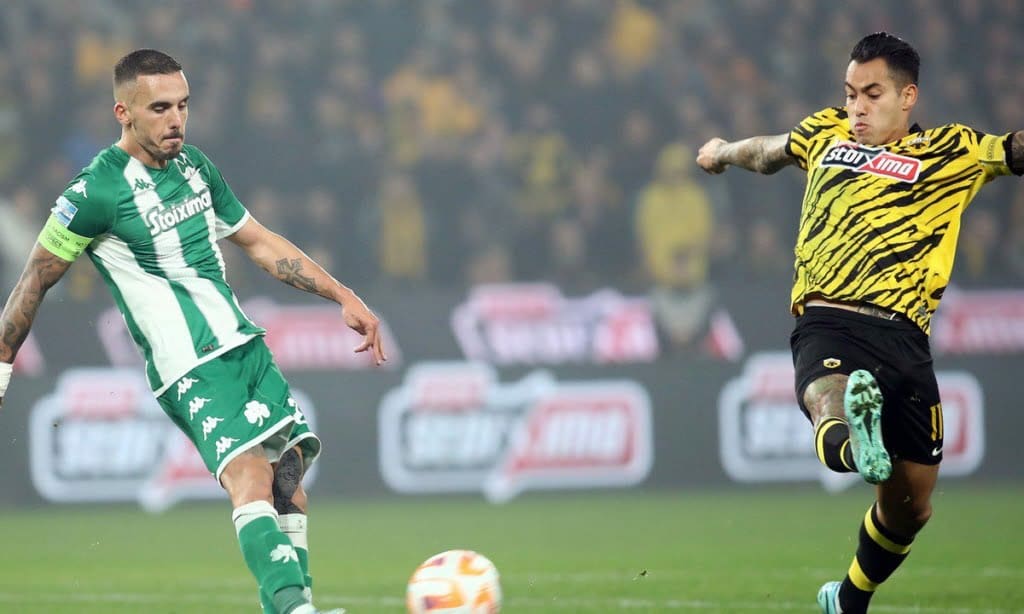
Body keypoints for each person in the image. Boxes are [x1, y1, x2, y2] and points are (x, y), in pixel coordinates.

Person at [0, 49, 387, 614]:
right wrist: (2, 365)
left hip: (244, 343)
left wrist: (342, 294)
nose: (176, 119)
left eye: (183, 105)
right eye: (160, 108)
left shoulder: (195, 167)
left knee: (288, 482)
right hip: (189, 362)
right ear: (123, 112)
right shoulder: (95, 192)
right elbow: (34, 279)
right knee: (249, 475)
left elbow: (258, 241)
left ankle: (295, 603)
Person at [696, 32, 1022, 613]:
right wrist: (722, 151)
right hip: (830, 318)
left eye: (872, 95)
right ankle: (855, 444)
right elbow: (768, 152)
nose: (856, 108)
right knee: (830, 400)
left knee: (911, 508)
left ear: (907, 97)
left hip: (904, 337)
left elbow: (1014, 150)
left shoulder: (953, 150)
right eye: (850, 94)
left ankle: (848, 598)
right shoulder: (825, 133)